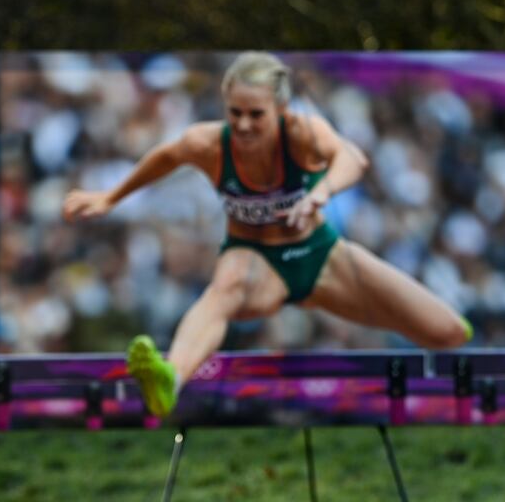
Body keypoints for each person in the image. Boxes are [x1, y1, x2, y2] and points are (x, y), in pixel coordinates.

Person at [64, 52, 472, 417]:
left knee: (448, 331)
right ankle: (170, 377)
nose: (243, 125)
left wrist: (322, 192)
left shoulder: (303, 132)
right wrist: (110, 197)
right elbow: (166, 156)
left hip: (321, 257)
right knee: (225, 287)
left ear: (280, 109)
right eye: (235, 112)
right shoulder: (208, 143)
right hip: (256, 262)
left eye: (255, 115)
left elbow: (352, 158)